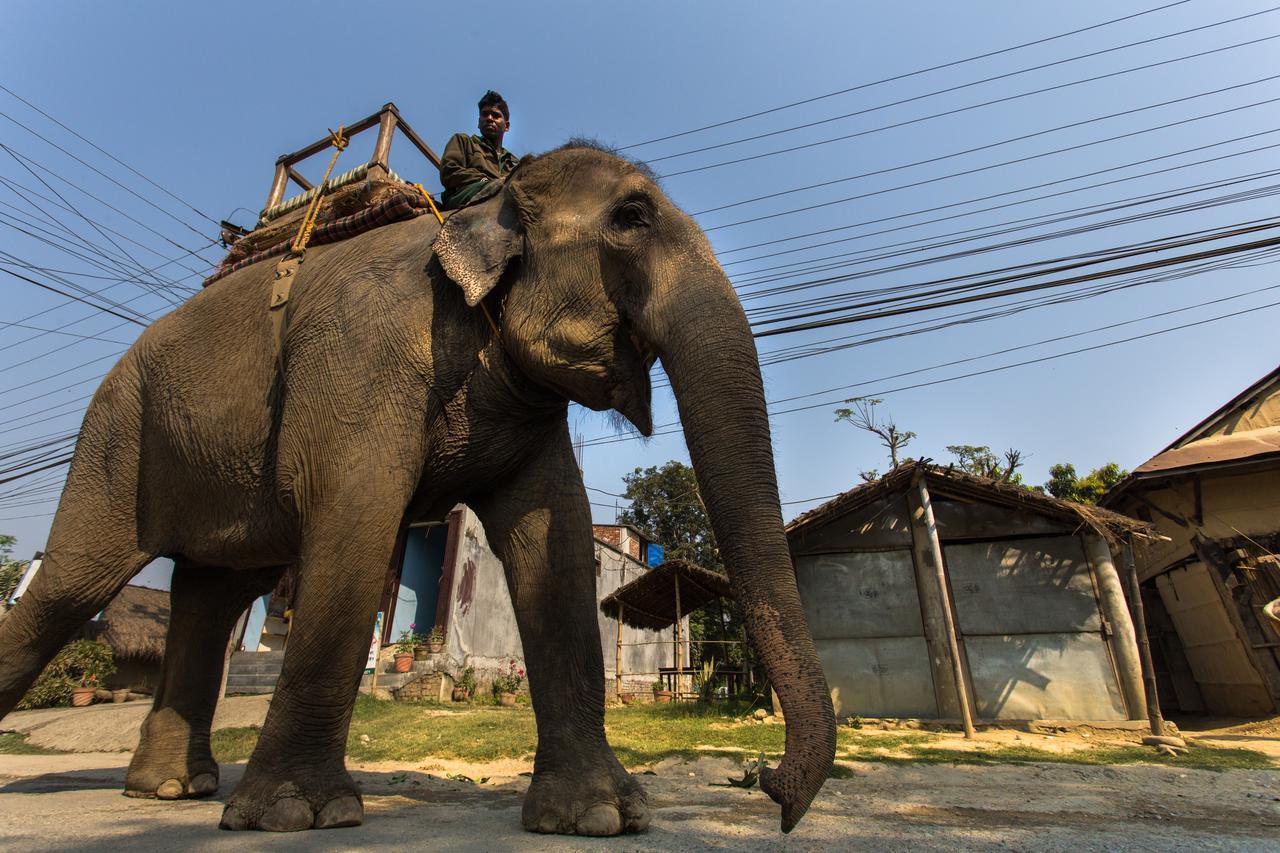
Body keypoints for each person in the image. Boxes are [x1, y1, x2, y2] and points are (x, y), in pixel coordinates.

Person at [439, 90, 518, 209]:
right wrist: (485, 181)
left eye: (495, 115)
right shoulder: (463, 141)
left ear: (506, 126)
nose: (489, 118)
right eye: (485, 114)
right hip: (465, 196)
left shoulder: (515, 163)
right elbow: (449, 171)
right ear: (478, 122)